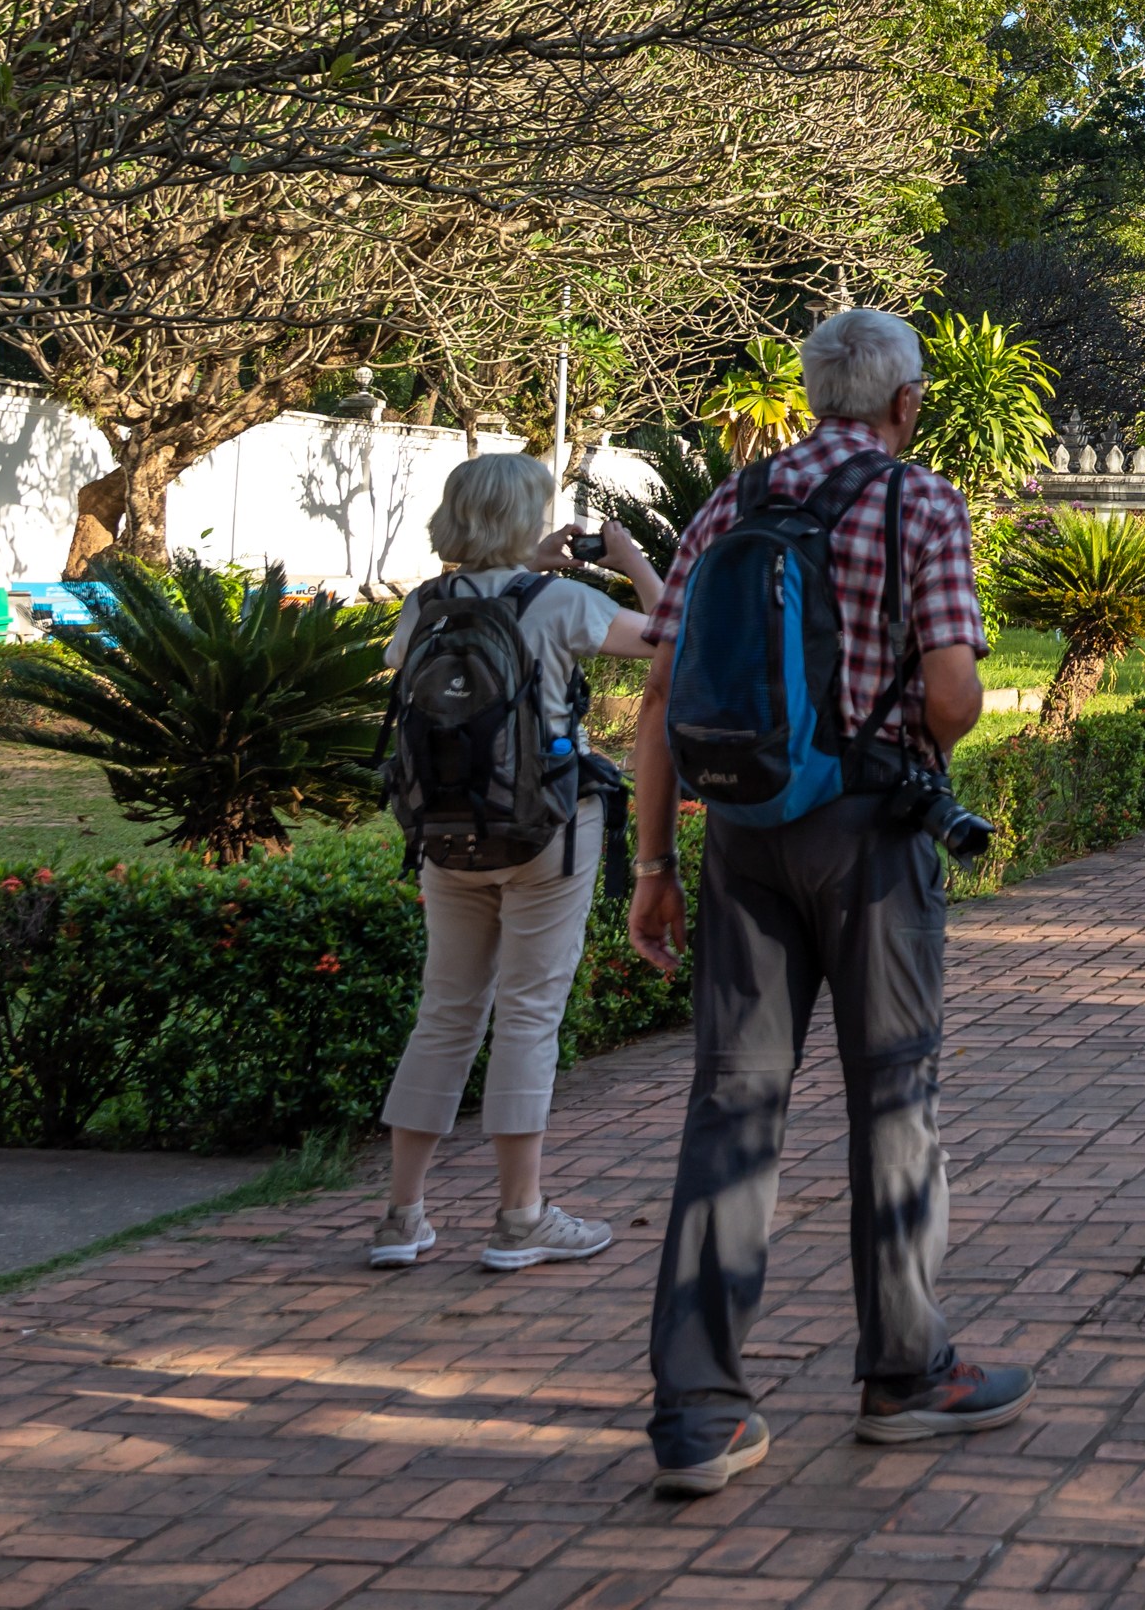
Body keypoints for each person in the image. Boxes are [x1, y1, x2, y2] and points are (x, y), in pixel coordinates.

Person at [626, 309, 1029, 1496]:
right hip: (869, 837)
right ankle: (904, 1372)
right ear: (905, 404)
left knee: (729, 1107)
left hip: (743, 839)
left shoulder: (736, 501)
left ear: (812, 396)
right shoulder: (918, 502)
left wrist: (653, 865)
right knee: (894, 1097)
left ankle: (699, 1409)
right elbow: (954, 699)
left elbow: (659, 688)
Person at [367, 454, 665, 1273]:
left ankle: (402, 1217)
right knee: (528, 1015)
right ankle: (520, 1216)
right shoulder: (563, 601)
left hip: (446, 833)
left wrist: (512, 566)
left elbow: (417, 669)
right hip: (548, 832)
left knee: (446, 1013)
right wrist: (631, 558)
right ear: (529, 518)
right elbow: (672, 635)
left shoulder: (424, 607)